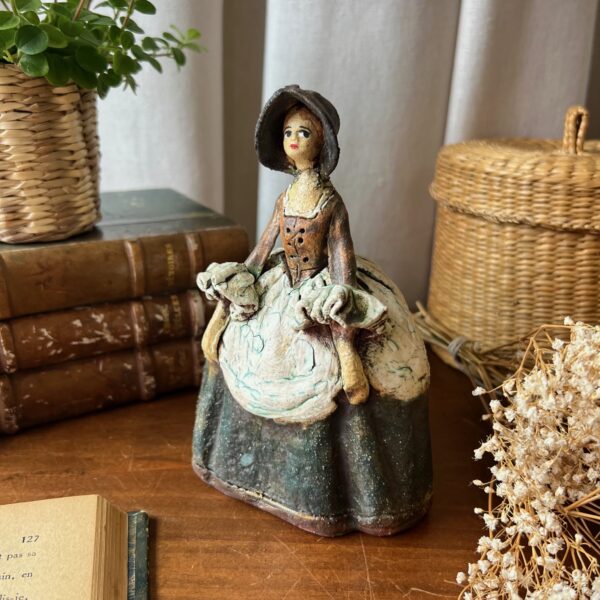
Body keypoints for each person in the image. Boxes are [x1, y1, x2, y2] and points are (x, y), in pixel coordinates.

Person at [193, 85, 432, 536]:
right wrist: (241, 278)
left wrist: (341, 298)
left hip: (321, 285)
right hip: (282, 283)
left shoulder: (331, 203)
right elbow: (264, 247)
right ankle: (220, 332)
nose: (294, 140)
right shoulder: (286, 199)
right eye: (288, 132)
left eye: (304, 132)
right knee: (243, 340)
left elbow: (341, 256)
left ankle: (346, 356)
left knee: (333, 346)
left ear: (322, 143)